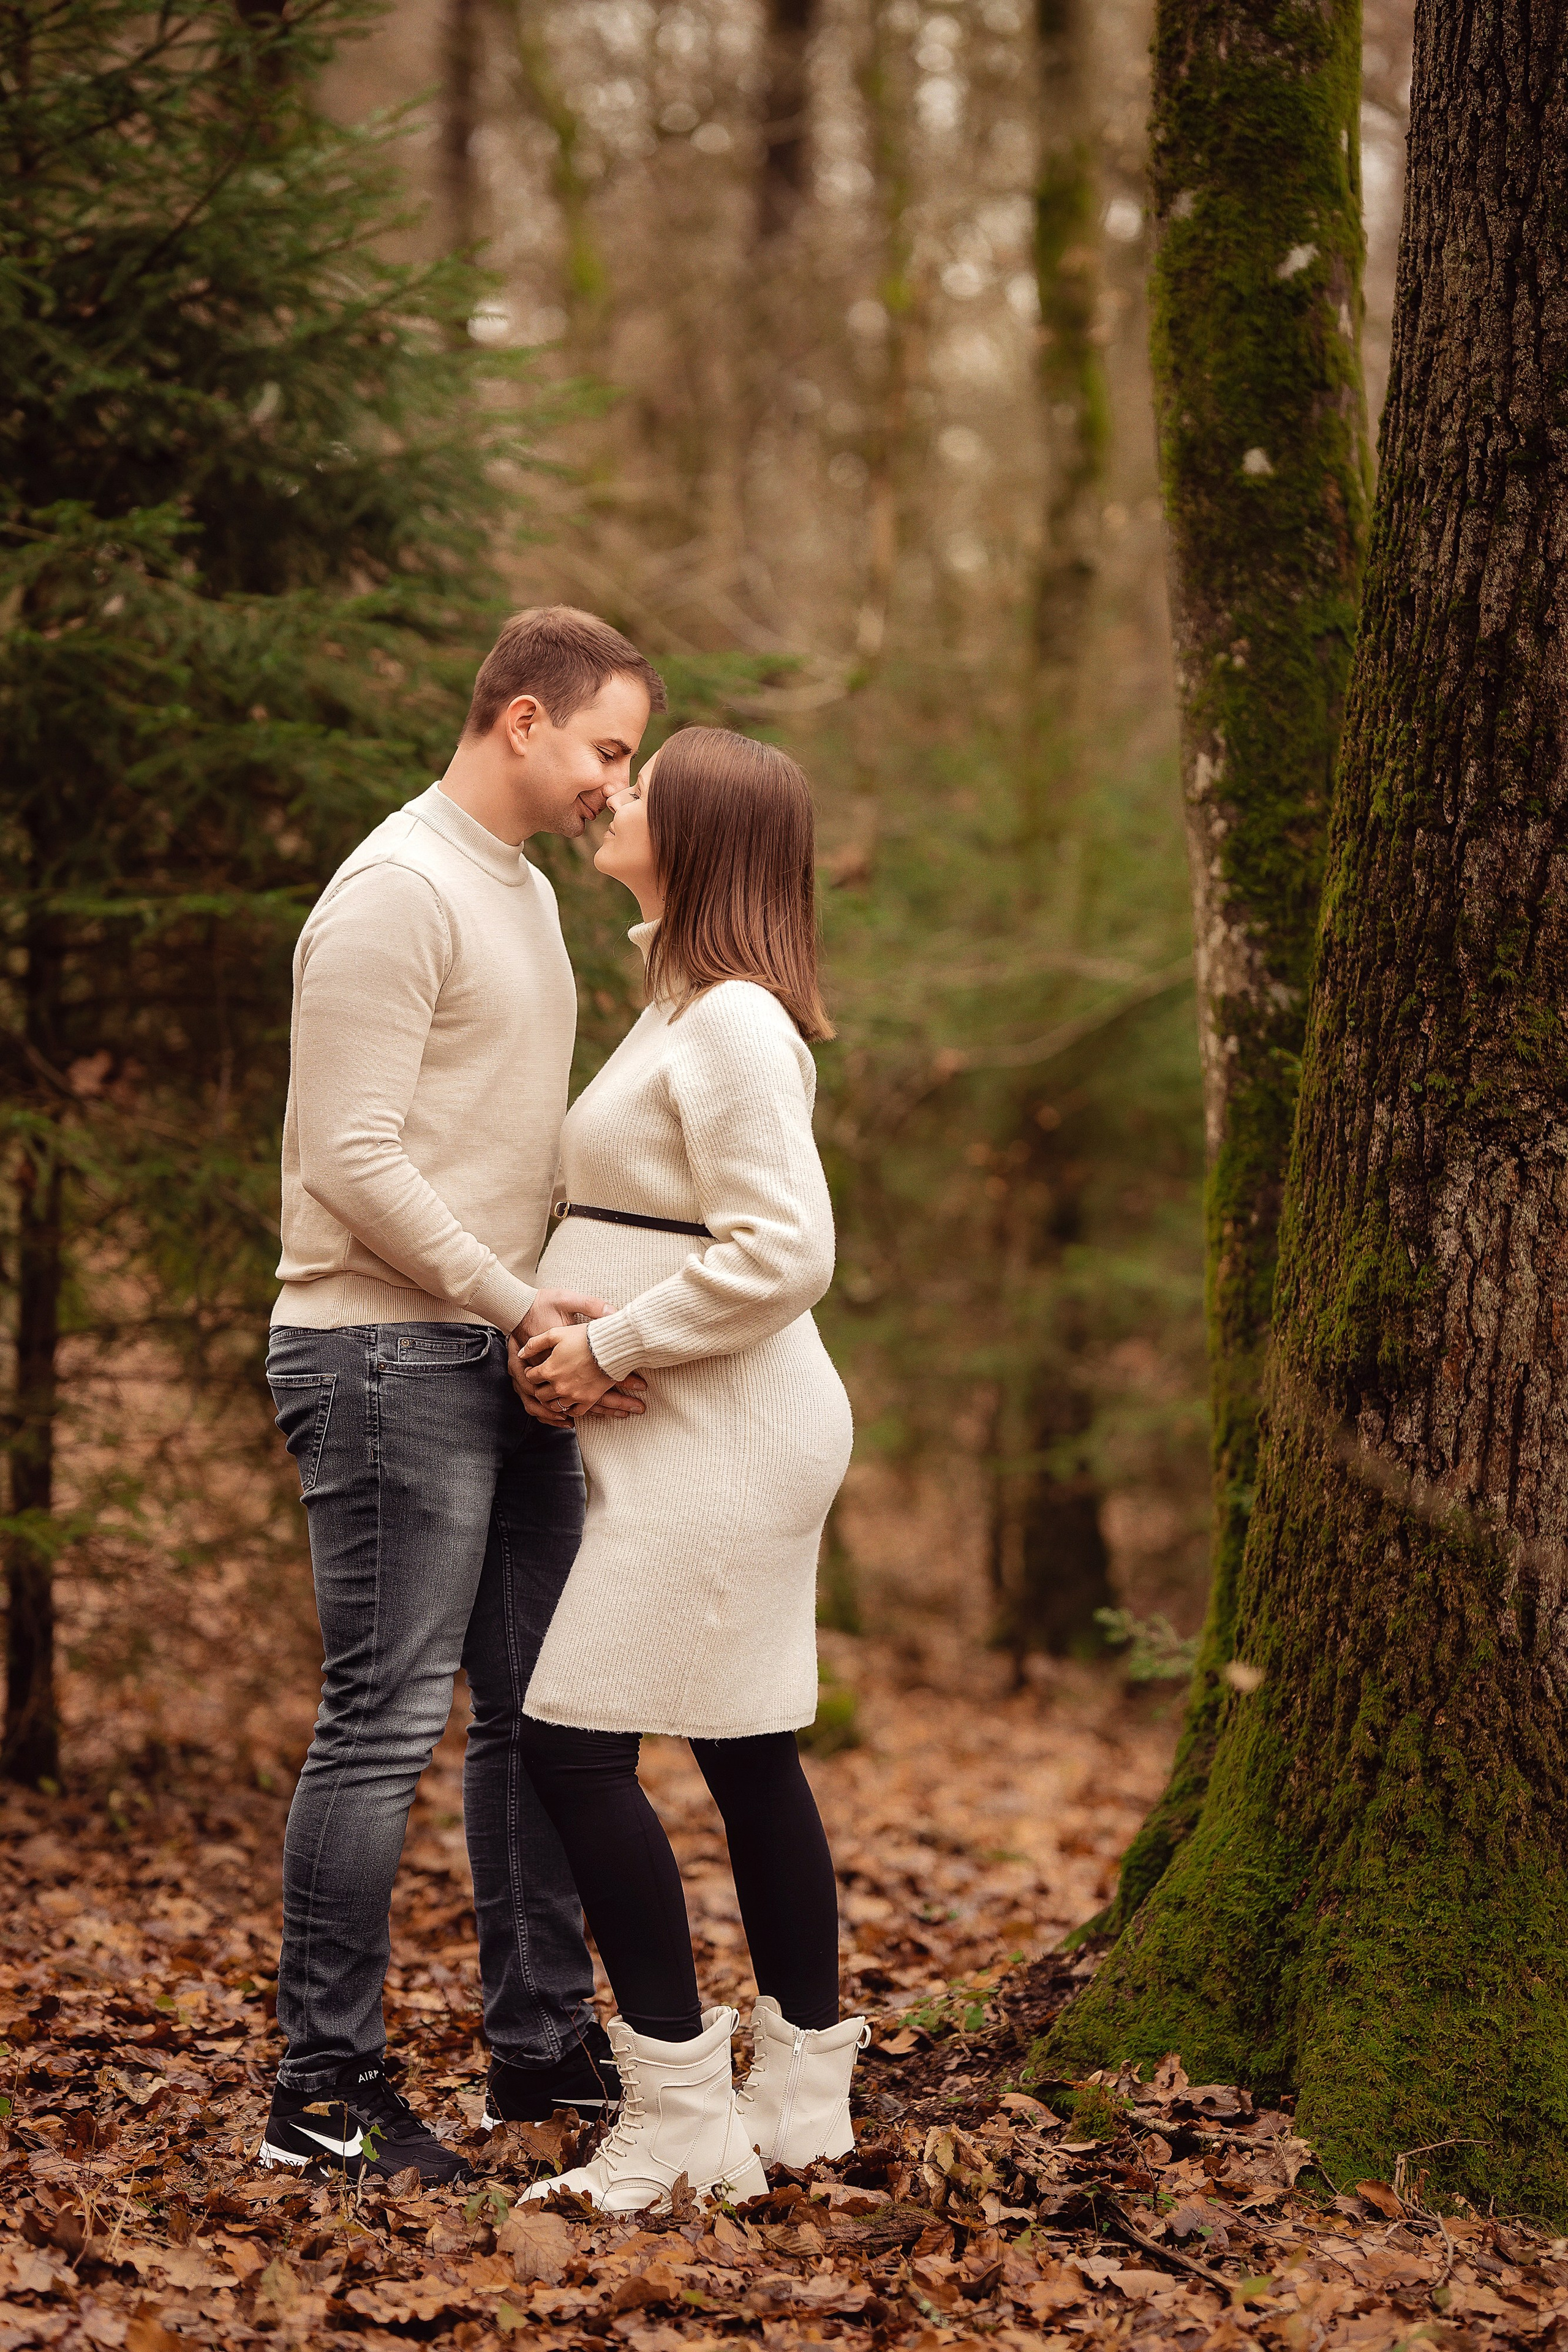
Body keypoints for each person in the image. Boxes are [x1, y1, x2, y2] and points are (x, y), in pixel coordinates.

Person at [258, 607, 663, 2185]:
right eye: (605, 749)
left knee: (539, 1716)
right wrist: (511, 1302)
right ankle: (321, 2091)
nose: (611, 785)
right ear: (520, 722)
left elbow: (506, 1148)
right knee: (382, 1724)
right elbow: (346, 1158)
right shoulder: (396, 891)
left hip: (497, 1355)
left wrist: (560, 1325)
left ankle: (536, 2051)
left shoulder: (514, 897)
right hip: (377, 1350)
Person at [508, 726, 867, 2216]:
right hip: (696, 1421)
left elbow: (787, 1248)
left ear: (701, 834)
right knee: (743, 1743)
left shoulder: (727, 1019)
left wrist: (612, 1342)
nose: (613, 795)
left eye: (641, 787)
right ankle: (795, 2092)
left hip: (728, 1427)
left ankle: (674, 2116)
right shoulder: (676, 1005)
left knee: (571, 1742)